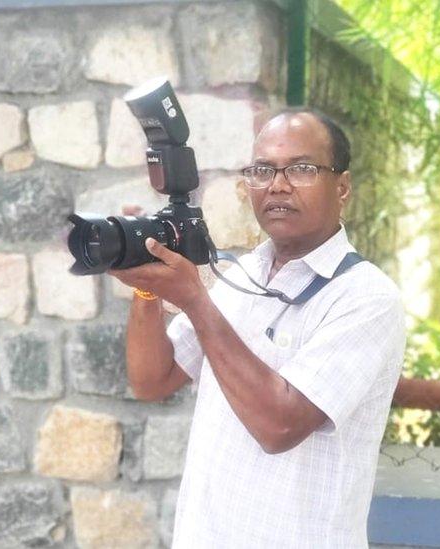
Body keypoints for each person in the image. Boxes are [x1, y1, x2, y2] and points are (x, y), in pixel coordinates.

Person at [109, 108, 406, 548]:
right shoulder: (243, 275)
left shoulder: (366, 298)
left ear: (342, 187)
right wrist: (146, 285)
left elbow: (279, 426)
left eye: (302, 169)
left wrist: (194, 299)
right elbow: (152, 380)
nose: (278, 185)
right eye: (263, 170)